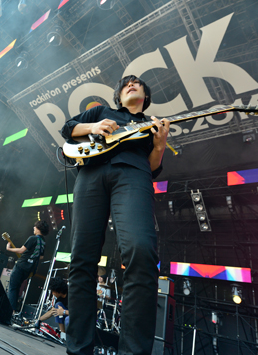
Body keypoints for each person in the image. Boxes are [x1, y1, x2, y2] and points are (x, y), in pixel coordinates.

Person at [60, 75, 170, 355]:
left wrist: (159, 146)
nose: (131, 85)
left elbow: (154, 167)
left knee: (141, 251)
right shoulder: (101, 111)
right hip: (91, 174)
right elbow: (68, 128)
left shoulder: (151, 124)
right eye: (125, 85)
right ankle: (78, 349)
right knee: (82, 258)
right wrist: (94, 126)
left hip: (133, 174)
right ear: (119, 97)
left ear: (145, 97)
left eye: (138, 84)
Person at [6, 220, 49, 313]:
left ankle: (10, 311)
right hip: (30, 269)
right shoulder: (43, 242)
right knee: (16, 288)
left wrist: (9, 248)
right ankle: (13, 310)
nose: (33, 228)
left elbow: (21, 250)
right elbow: (41, 256)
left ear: (38, 229)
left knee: (13, 287)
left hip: (21, 265)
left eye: (35, 226)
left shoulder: (32, 238)